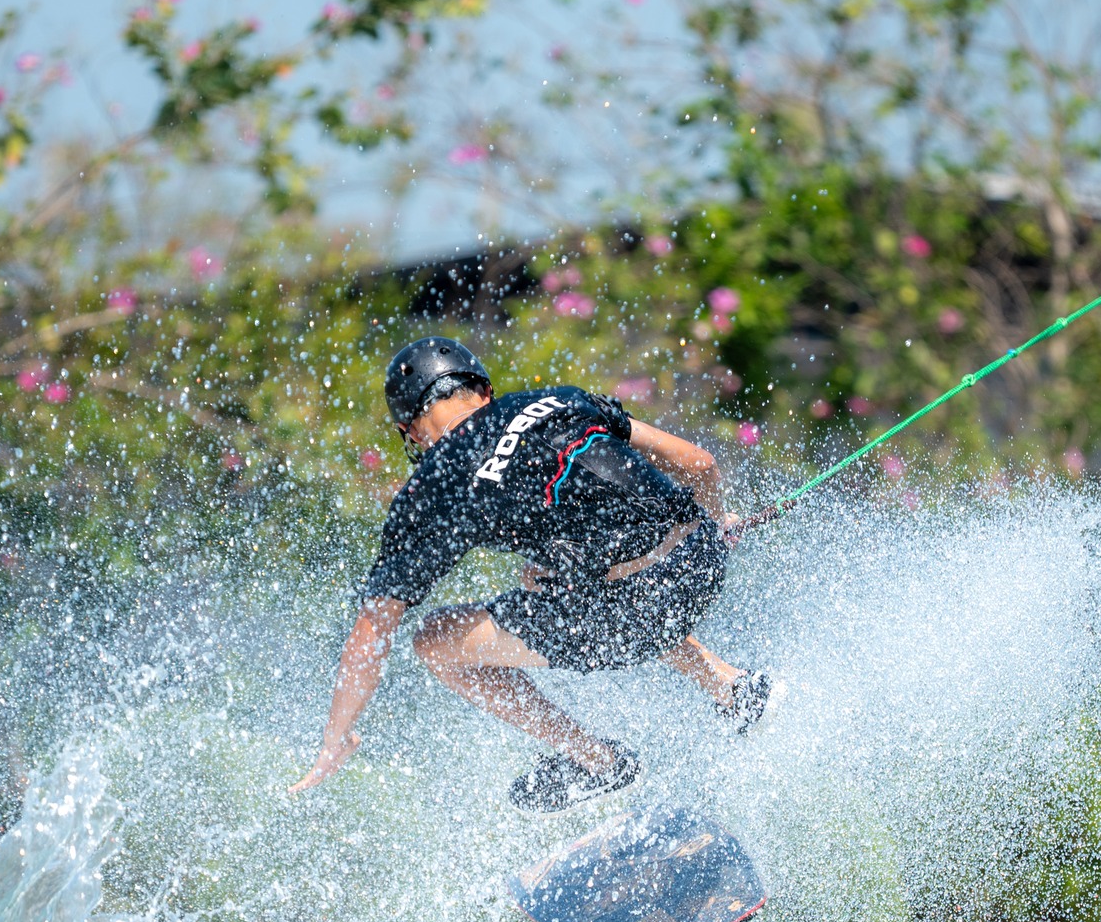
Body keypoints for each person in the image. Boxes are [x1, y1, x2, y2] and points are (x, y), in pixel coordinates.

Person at [290, 336, 776, 811]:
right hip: (700, 561)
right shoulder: (558, 399)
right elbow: (700, 462)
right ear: (483, 391)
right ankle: (732, 688)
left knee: (433, 641)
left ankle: (598, 762)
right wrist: (714, 523)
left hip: (632, 612)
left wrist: (335, 738)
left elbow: (371, 632)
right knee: (552, 572)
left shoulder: (432, 488)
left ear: (412, 434)